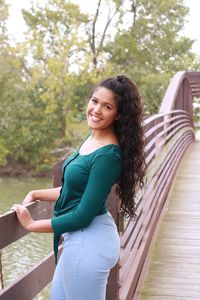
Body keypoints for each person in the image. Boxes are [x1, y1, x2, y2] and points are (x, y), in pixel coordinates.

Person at [11, 75, 146, 300]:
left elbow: (83, 215)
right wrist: (35, 193)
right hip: (80, 242)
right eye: (94, 101)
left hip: (90, 244)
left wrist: (32, 224)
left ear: (118, 114)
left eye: (107, 106)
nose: (96, 110)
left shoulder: (108, 155)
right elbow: (73, 190)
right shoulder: (92, 139)